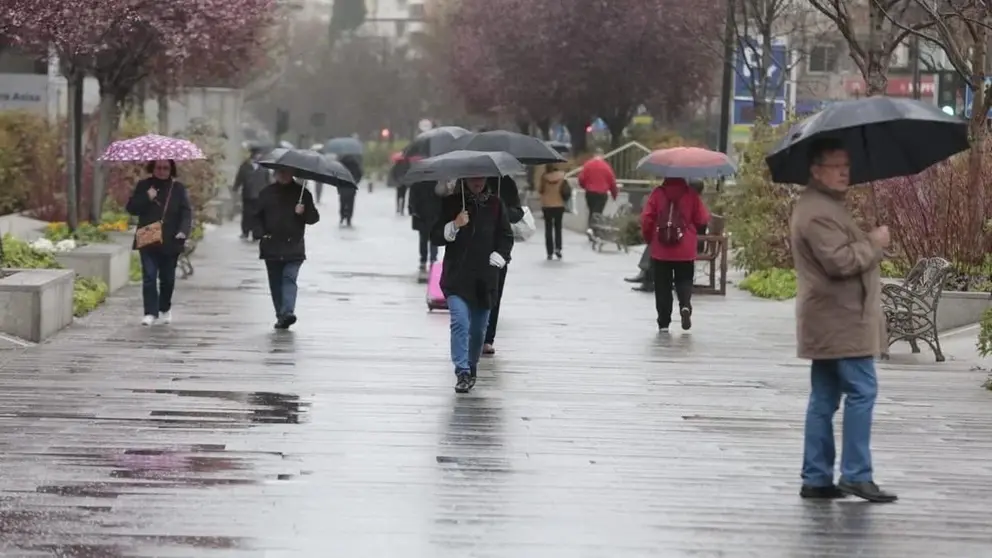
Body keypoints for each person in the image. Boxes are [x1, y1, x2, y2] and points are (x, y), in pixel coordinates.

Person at [791, 138, 896, 503]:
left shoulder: (825, 205)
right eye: (836, 166)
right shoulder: (817, 211)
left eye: (846, 165)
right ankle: (856, 474)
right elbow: (840, 262)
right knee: (861, 391)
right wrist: (873, 242)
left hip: (832, 319)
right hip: (840, 320)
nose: (844, 172)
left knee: (824, 396)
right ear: (816, 170)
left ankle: (818, 477)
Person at [431, 177, 514, 393]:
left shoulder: (496, 204)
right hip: (457, 277)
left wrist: (500, 255)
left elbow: (506, 236)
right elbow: (436, 236)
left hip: (484, 279)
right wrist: (454, 225)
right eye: (473, 177)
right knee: (460, 322)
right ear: (465, 178)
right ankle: (462, 371)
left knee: (478, 331)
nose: (478, 181)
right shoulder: (452, 203)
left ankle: (471, 364)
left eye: (481, 177)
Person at [126, 160, 193, 326]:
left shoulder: (178, 188)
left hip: (171, 239)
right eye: (158, 167)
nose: (162, 171)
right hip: (148, 236)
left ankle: (165, 308)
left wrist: (183, 231)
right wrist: (147, 197)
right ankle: (150, 312)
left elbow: (186, 213)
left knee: (167, 279)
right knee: (149, 276)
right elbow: (132, 208)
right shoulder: (144, 185)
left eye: (166, 168)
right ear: (152, 168)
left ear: (171, 169)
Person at [253, 169, 321, 330]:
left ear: (292, 174)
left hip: (294, 246)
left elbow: (313, 218)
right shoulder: (266, 193)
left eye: (286, 173)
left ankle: (288, 311)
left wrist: (303, 212)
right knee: (275, 283)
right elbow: (256, 216)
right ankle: (281, 315)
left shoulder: (302, 193)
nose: (283, 176)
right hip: (272, 245)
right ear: (275, 174)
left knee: (289, 278)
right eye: (280, 173)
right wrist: (259, 233)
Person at [640, 177, 709, 332]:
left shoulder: (658, 193)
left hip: (661, 249)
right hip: (685, 248)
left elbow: (647, 218)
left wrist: (648, 238)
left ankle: (664, 322)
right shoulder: (691, 194)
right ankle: (685, 305)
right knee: (684, 279)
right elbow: (702, 219)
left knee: (662, 286)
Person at [626, 180, 708, 292]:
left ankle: (647, 277)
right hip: (684, 239)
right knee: (657, 240)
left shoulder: (693, 201)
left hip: (690, 242)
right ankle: (646, 275)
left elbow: (700, 223)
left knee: (656, 243)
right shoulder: (692, 200)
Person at [482, 175, 524, 355]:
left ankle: (487, 339)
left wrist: (502, 209)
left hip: (499, 250)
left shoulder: (506, 183)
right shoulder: (467, 181)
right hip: (471, 251)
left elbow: (518, 213)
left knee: (494, 295)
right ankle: (472, 333)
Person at [233, 148, 271, 240]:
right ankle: (245, 231)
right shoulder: (245, 166)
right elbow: (239, 178)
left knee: (258, 215)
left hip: (261, 194)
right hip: (248, 194)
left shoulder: (264, 166)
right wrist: (236, 188)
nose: (258, 156)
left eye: (259, 155)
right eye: (257, 155)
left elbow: (268, 180)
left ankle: (257, 233)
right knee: (247, 214)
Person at [577, 151, 618, 235]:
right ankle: (594, 230)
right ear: (602, 157)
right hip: (602, 193)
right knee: (598, 213)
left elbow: (581, 178)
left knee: (592, 210)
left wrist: (585, 186)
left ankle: (590, 229)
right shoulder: (606, 167)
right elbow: (612, 182)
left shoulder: (587, 165)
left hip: (590, 192)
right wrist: (614, 195)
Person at [409, 180, 441, 281]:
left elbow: (412, 200)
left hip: (422, 215)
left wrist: (413, 211)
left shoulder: (417, 182)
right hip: (433, 215)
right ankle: (432, 260)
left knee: (424, 239)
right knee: (432, 239)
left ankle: (424, 260)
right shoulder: (437, 182)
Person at [537, 163, 569, 260]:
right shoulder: (562, 176)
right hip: (559, 205)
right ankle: (558, 248)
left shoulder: (544, 177)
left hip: (547, 206)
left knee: (548, 228)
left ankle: (549, 251)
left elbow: (540, 190)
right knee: (558, 227)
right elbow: (566, 191)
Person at [339, 155, 363, 227]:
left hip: (343, 187)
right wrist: (356, 182)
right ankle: (349, 218)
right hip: (352, 187)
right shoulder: (355, 165)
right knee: (350, 203)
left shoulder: (341, 166)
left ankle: (342, 216)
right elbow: (360, 175)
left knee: (342, 203)